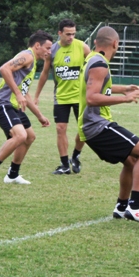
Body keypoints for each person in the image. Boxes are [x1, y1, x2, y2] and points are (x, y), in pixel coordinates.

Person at [78, 26, 139, 228]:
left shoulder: (92, 59)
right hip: (96, 125)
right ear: (115, 44)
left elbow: (98, 84)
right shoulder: (100, 64)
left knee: (131, 161)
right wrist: (125, 98)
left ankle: (121, 207)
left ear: (96, 43)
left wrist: (124, 88)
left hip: (91, 126)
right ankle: (136, 206)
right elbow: (92, 97)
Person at [0, 31, 52, 188]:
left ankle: (12, 175)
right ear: (37, 45)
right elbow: (4, 69)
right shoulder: (28, 55)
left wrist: (39, 115)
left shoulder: (33, 63)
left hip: (13, 105)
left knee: (29, 137)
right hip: (2, 103)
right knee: (20, 135)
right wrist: (18, 93)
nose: (49, 51)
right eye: (47, 47)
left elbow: (25, 94)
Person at [33, 19, 91, 175]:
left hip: (80, 96)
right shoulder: (52, 50)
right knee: (60, 129)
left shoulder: (82, 47)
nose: (71, 37)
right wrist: (36, 95)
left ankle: (76, 156)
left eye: (73, 34)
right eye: (68, 34)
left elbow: (95, 67)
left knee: (85, 129)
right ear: (59, 33)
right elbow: (45, 73)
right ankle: (65, 164)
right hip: (61, 97)